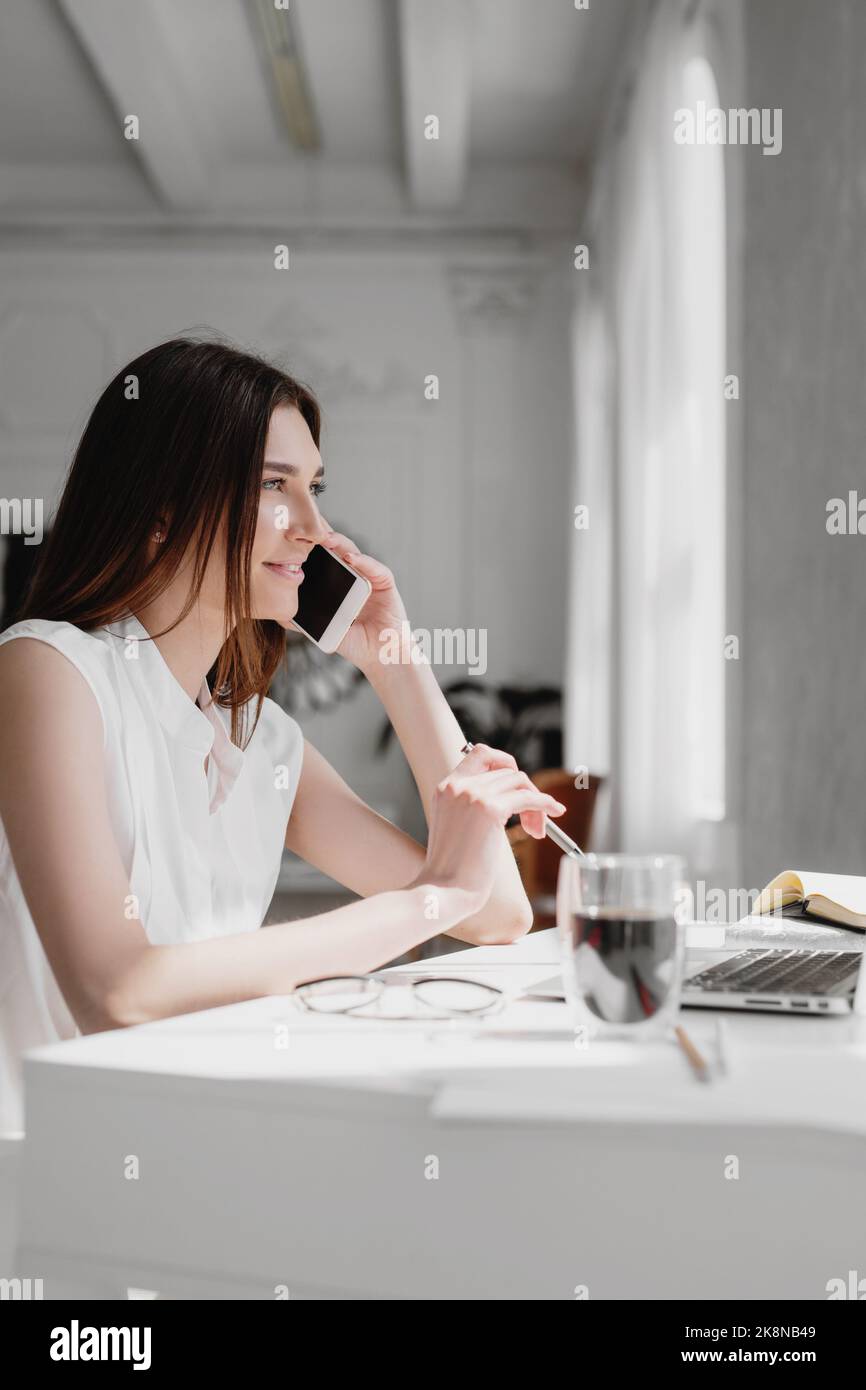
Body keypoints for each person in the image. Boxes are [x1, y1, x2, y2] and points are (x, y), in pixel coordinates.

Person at [0, 336, 566, 1136]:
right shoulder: (48, 669)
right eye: (275, 486)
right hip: (50, 1182)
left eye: (315, 488)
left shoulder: (262, 739)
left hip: (200, 1147)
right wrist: (432, 894)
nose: (313, 526)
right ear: (161, 505)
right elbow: (118, 993)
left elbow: (495, 916)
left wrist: (393, 659)